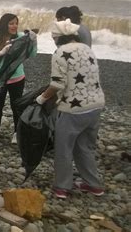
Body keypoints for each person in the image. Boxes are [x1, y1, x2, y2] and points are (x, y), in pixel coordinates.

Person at [36, 19, 105, 199]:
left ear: (58, 38)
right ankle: (93, 185)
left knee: (64, 148)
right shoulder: (87, 49)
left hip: (72, 109)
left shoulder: (61, 52)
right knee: (85, 147)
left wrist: (42, 98)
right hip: (96, 105)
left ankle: (62, 187)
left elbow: (58, 84)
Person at [0, 13, 37, 143]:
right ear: (4, 24)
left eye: (16, 23)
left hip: (17, 78)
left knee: (16, 105)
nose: (14, 26)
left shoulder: (21, 37)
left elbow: (32, 54)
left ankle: (16, 132)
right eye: (11, 23)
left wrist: (33, 41)